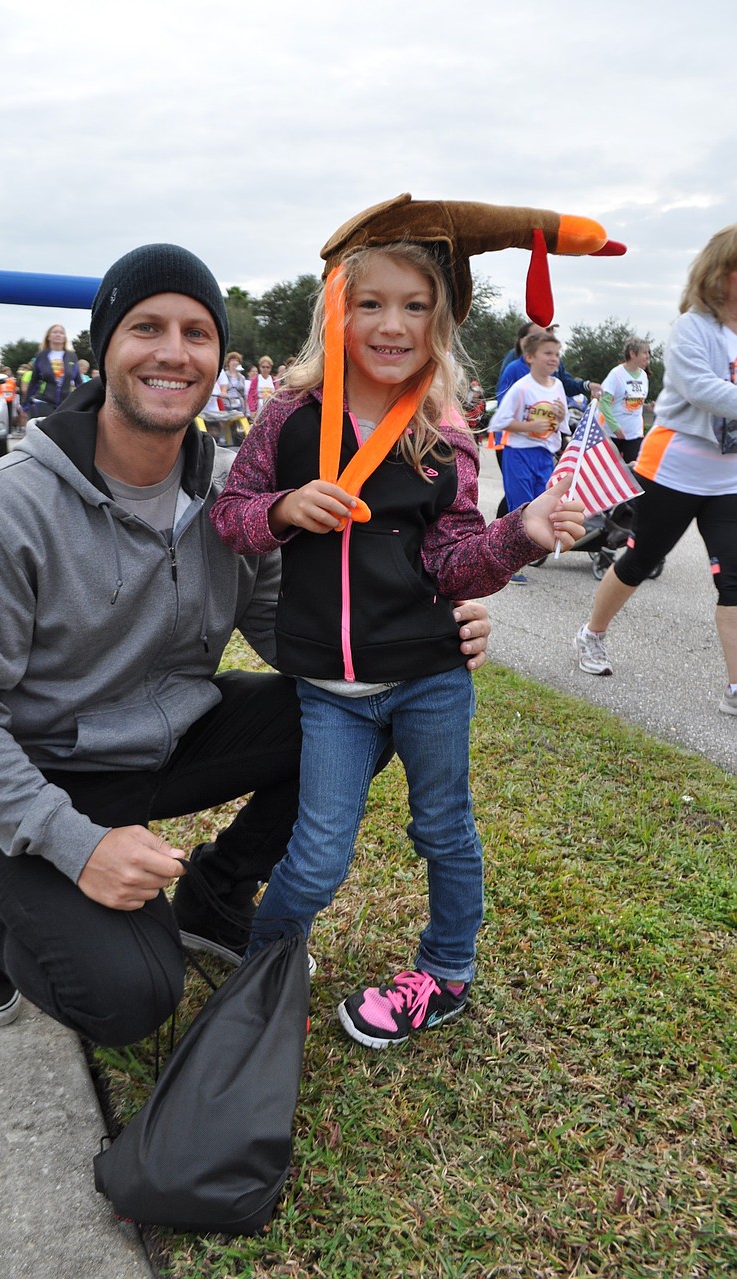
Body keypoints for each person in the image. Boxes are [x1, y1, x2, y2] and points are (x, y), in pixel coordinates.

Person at [0, 242, 491, 1047]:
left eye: (196, 332)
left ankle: (215, 891)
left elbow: (295, 624)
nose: (173, 352)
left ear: (218, 356)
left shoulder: (227, 496)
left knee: (355, 713)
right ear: (103, 345)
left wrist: (418, 635)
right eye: (147, 327)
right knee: (131, 997)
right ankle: (2, 899)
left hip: (168, 740)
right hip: (48, 768)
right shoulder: (6, 510)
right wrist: (75, 846)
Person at [211, 239, 584, 1049]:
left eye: (415, 306)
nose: (392, 324)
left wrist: (520, 531)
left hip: (429, 679)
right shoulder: (289, 415)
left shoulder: (445, 433)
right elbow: (228, 514)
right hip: (332, 694)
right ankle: (266, 971)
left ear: (439, 323)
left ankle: (447, 970)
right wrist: (280, 510)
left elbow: (455, 561)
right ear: (337, 312)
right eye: (370, 303)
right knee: (314, 858)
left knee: (444, 827)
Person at [574, 225, 737, 717]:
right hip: (674, 468)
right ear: (724, 273)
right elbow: (701, 388)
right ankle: (590, 636)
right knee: (641, 559)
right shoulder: (693, 327)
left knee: (733, 580)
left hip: (729, 477)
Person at [491, 329, 570, 581]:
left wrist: (559, 417)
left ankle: (517, 551)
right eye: (547, 353)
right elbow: (499, 421)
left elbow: (562, 423)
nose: (553, 358)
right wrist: (528, 427)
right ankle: (510, 563)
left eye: (557, 354)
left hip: (545, 455)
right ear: (530, 357)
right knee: (521, 507)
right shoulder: (521, 388)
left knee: (542, 504)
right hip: (519, 454)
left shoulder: (557, 386)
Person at [598, 338, 650, 464]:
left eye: (648, 353)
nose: (648, 357)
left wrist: (649, 407)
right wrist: (615, 427)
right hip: (613, 434)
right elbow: (603, 402)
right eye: (644, 352)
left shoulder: (643, 376)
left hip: (634, 434)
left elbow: (637, 401)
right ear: (632, 353)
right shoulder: (616, 374)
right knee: (609, 472)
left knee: (633, 474)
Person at [21, 322, 81, 419]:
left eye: (61, 333)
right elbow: (34, 381)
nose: (58, 334)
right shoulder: (41, 356)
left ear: (64, 337)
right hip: (45, 402)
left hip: (65, 403)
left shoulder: (72, 356)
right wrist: (25, 404)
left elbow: (78, 382)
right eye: (55, 332)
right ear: (48, 337)